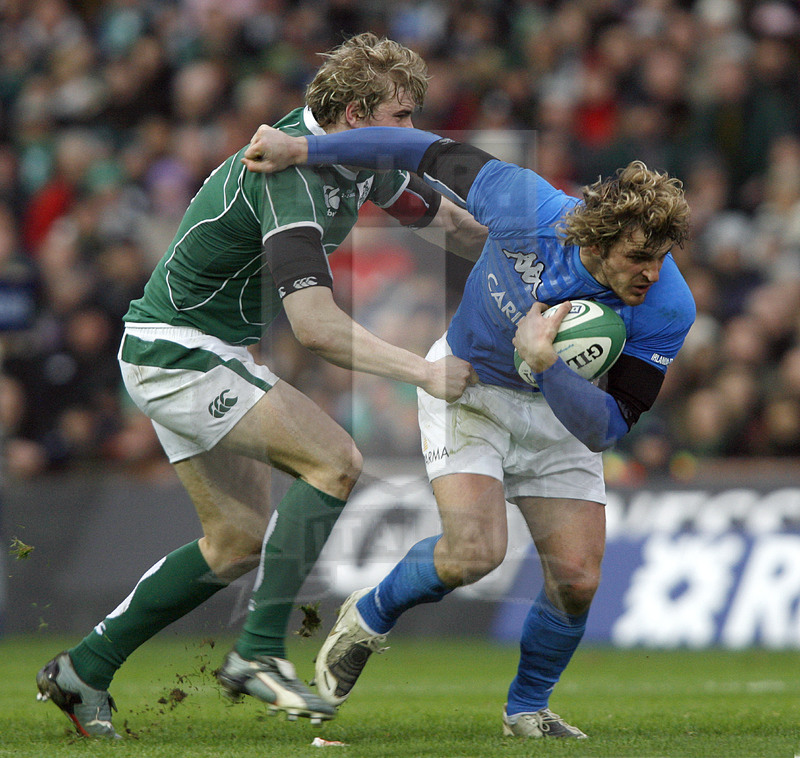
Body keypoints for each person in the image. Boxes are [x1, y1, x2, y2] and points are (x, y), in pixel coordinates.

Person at [35, 33, 485, 739]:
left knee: (235, 540)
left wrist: (527, 253)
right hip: (177, 351)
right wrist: (425, 371)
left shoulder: (356, 158)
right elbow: (315, 327)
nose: (412, 130)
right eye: (402, 115)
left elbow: (447, 220)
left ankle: (83, 669)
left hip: (187, 349)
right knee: (335, 460)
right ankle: (260, 651)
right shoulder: (287, 172)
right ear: (358, 111)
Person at [242, 122, 693, 738]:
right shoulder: (523, 202)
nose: (652, 273)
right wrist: (305, 148)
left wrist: (546, 365)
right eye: (640, 257)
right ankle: (370, 614)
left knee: (579, 578)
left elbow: (608, 428)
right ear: (599, 238)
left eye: (662, 257)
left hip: (565, 410)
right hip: (468, 386)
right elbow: (416, 148)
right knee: (475, 554)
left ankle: (527, 709)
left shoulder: (668, 306)